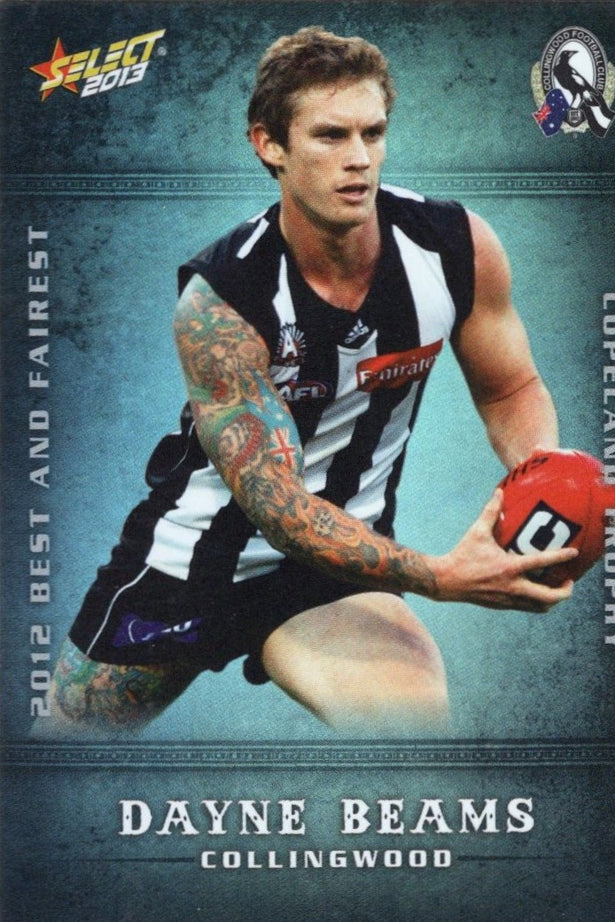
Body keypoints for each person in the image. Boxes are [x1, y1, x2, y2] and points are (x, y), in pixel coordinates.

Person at [41, 26, 577, 738]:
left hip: (337, 571)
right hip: (188, 565)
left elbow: (511, 389)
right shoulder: (223, 301)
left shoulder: (454, 249)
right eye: (330, 135)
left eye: (373, 133)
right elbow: (278, 507)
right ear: (269, 144)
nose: (359, 158)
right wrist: (440, 576)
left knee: (413, 740)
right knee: (63, 767)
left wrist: (545, 480)